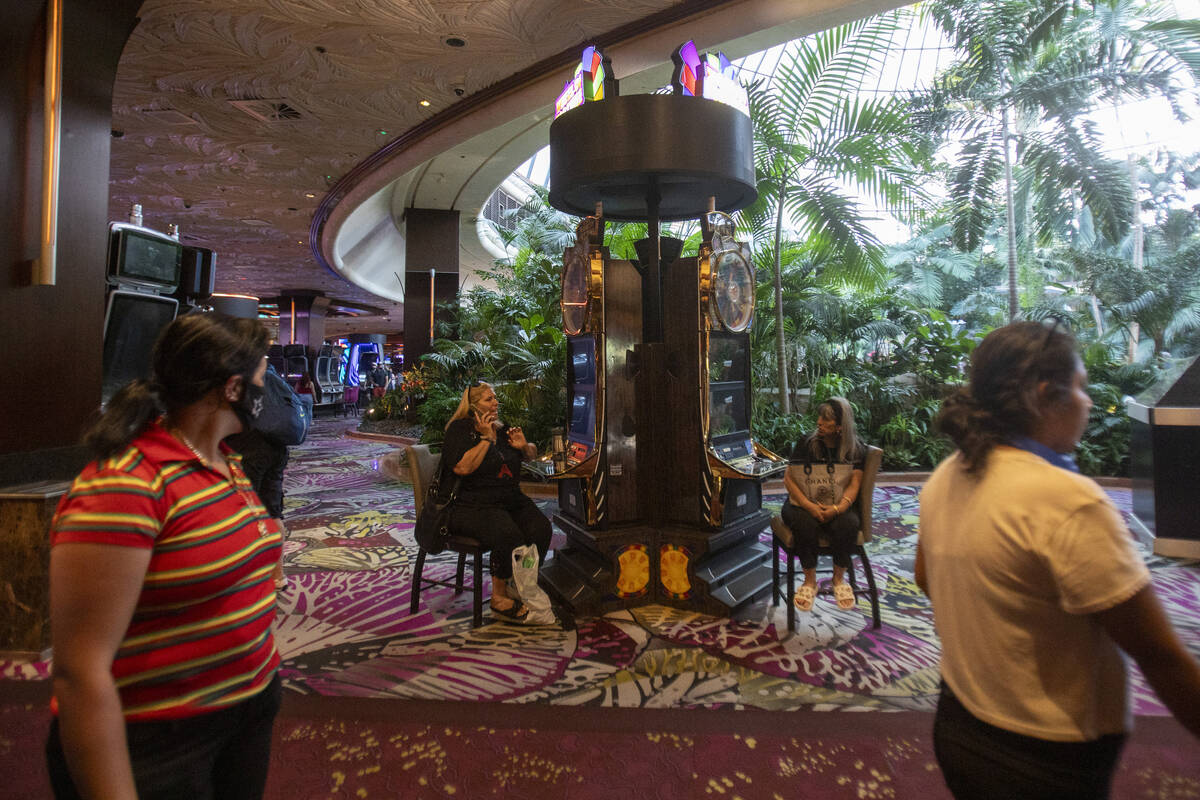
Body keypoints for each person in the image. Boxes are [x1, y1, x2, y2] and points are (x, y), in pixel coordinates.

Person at [916, 320, 1200, 799]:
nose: (1088, 403)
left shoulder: (950, 472)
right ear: (1047, 395)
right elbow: (1160, 656)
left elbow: (927, 577)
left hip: (959, 726)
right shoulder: (1065, 501)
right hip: (1044, 759)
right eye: (1082, 389)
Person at [46, 313, 282, 800]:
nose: (270, 395)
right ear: (233, 389)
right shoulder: (128, 484)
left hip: (246, 707)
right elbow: (80, 671)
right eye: (263, 380)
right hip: (162, 733)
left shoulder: (223, 459)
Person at [440, 381, 552, 622]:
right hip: (470, 504)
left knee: (541, 528)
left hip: (508, 499)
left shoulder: (502, 429)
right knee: (509, 535)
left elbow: (531, 453)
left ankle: (519, 582)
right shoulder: (459, 430)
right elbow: (462, 467)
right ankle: (499, 597)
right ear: (473, 406)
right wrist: (486, 440)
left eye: (495, 398)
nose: (495, 402)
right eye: (489, 399)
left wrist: (525, 447)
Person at [227, 360, 311, 590]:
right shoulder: (269, 370)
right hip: (276, 445)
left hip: (248, 447)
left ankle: (248, 575)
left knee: (245, 511)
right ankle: (277, 575)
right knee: (273, 511)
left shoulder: (237, 368)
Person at [780, 397, 866, 612]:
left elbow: (855, 483)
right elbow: (788, 479)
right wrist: (809, 506)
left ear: (839, 427)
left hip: (838, 505)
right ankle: (810, 580)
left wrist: (838, 508)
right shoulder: (806, 443)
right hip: (802, 504)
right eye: (819, 417)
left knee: (848, 523)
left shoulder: (855, 449)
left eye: (826, 420)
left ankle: (839, 580)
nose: (818, 422)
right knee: (803, 522)